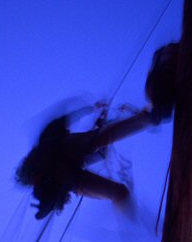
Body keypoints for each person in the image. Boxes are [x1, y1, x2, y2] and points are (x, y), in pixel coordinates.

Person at [16, 43, 179, 219]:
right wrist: (90, 109)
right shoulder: (52, 144)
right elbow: (72, 125)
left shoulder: (52, 144)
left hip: (69, 174)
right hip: (66, 167)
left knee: (117, 188)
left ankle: (149, 117)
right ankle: (150, 117)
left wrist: (92, 111)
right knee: (100, 139)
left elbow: (71, 128)